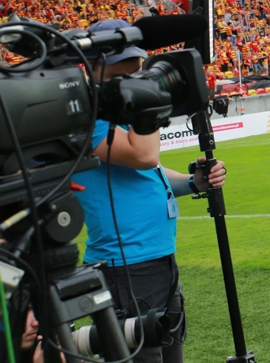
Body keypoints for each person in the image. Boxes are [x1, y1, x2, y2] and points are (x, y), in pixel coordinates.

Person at [72, 19, 227, 363]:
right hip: (125, 265)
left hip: (156, 259)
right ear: (90, 66)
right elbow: (144, 156)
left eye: (137, 72)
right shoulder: (86, 115)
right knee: (143, 357)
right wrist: (149, 99)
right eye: (120, 75)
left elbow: (148, 173)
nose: (133, 83)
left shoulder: (120, 112)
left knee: (171, 353)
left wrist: (193, 182)